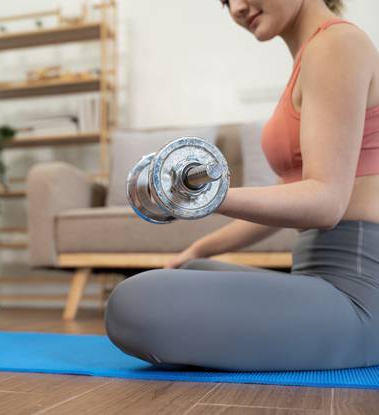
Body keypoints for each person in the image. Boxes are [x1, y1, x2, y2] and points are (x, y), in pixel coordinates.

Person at [105, 0, 379, 371]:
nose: (236, 7)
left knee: (131, 303)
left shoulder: (336, 45)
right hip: (318, 277)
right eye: (225, 0)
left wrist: (200, 196)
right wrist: (198, 249)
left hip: (360, 294)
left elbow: (326, 202)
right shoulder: (312, 56)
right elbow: (293, 197)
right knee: (190, 273)